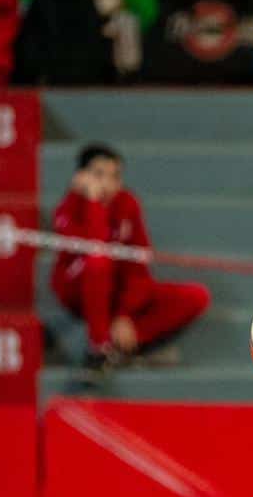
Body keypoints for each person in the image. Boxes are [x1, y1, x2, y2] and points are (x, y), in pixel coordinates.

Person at [49, 143, 210, 367]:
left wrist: (124, 315)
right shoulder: (68, 209)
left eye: (115, 176)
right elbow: (97, 244)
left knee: (196, 296)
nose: (108, 183)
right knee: (98, 260)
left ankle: (124, 345)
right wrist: (93, 201)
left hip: (117, 295)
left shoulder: (128, 204)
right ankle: (98, 347)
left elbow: (139, 265)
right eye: (98, 175)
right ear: (81, 177)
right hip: (79, 292)